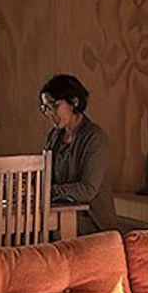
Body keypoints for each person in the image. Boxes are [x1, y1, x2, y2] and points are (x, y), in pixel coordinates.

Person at [40, 73, 115, 233]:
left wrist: (47, 191)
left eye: (54, 106)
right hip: (60, 213)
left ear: (74, 102)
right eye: (45, 108)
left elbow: (87, 190)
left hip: (91, 221)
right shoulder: (54, 136)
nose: (49, 113)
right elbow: (45, 175)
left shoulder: (95, 138)